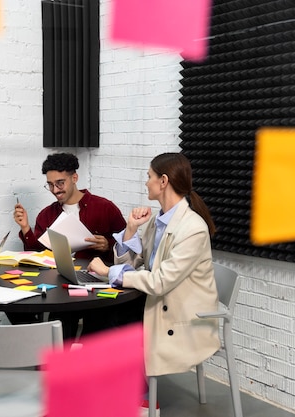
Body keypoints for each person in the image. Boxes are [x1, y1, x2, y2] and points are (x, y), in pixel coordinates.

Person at [87, 152, 221, 417]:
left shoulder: (192, 228)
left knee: (117, 322)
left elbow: (160, 281)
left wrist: (109, 272)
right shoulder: (159, 222)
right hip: (161, 301)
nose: (145, 183)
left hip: (184, 314)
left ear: (163, 181)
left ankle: (142, 396)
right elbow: (138, 263)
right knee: (100, 315)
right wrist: (131, 230)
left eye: (148, 177)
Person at [11, 152, 136, 338]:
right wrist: (26, 229)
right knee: (56, 322)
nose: (55, 190)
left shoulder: (104, 208)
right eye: (50, 185)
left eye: (60, 183)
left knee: (97, 323)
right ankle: (57, 357)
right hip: (61, 283)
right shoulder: (46, 215)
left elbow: (129, 249)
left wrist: (107, 245)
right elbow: (37, 255)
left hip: (96, 284)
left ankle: (87, 360)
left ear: (74, 178)